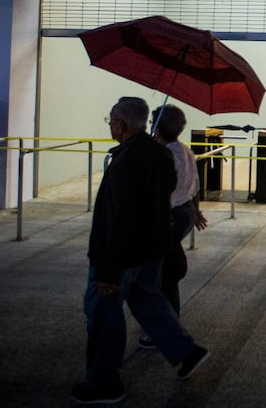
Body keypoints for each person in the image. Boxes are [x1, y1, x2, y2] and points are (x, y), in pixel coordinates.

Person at [71, 97, 209, 405]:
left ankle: (104, 384)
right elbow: (164, 202)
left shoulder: (125, 162)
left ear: (120, 125)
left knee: (104, 314)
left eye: (110, 121)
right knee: (147, 300)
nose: (110, 125)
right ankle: (185, 351)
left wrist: (106, 270)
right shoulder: (161, 156)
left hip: (123, 255)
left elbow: (114, 217)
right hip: (151, 249)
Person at [138, 104, 208, 349]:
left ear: (157, 128)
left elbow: (161, 190)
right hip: (185, 212)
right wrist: (196, 211)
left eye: (152, 124)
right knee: (166, 270)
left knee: (162, 274)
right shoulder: (186, 151)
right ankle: (166, 324)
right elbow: (196, 185)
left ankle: (166, 328)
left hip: (171, 216)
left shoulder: (164, 155)